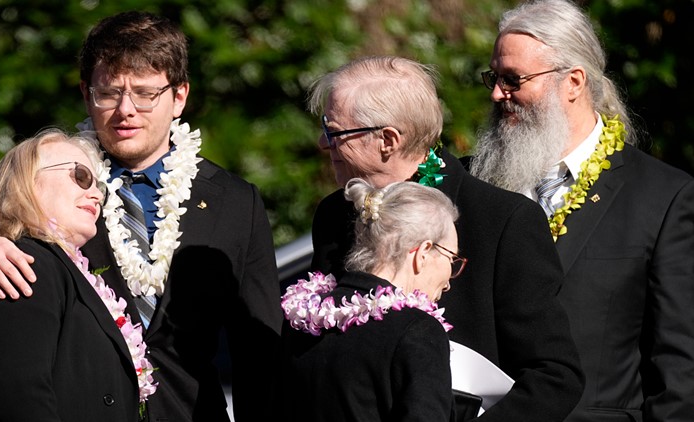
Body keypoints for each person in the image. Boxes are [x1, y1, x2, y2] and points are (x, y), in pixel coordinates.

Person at [0, 11, 282, 422]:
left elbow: (258, 351)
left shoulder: (235, 201)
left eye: (144, 93)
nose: (126, 110)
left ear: (179, 97)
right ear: (87, 94)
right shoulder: (57, 181)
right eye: (109, 93)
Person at [309, 55, 584, 421]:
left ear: (388, 141)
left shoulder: (501, 220)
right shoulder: (334, 215)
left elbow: (555, 377)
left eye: (335, 132)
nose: (323, 144)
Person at [468, 1, 694, 420]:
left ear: (573, 82)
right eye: (493, 78)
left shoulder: (663, 197)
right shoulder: (471, 183)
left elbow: (681, 368)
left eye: (513, 79)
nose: (498, 93)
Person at [0, 130, 144, 421]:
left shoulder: (60, 265)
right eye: (81, 176)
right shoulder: (21, 261)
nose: (96, 194)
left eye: (99, 185)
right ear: (27, 183)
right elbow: (24, 398)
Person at [279, 177, 460, 421]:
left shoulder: (305, 316)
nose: (449, 281)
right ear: (423, 252)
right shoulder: (416, 331)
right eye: (452, 258)